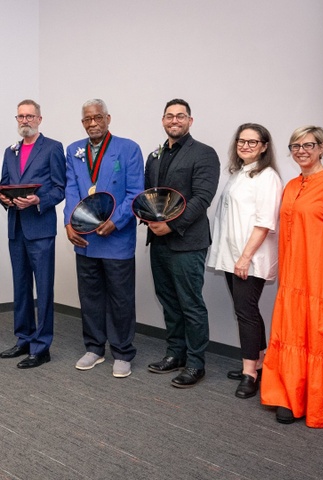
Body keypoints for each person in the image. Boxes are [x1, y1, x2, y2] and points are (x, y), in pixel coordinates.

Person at [261, 126, 323, 428]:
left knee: (319, 333)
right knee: (293, 331)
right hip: (294, 274)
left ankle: (316, 400)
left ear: (321, 148)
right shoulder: (291, 185)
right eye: (295, 146)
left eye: (308, 145)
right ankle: (289, 396)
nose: (301, 151)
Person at [64, 99, 144, 378]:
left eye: (98, 117)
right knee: (90, 296)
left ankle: (122, 352)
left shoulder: (128, 148)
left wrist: (116, 221)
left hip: (116, 237)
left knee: (120, 298)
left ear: (108, 118)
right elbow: (71, 188)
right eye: (87, 119)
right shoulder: (74, 150)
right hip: (86, 239)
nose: (93, 123)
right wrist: (69, 223)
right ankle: (94, 348)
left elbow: (136, 192)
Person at [144, 98, 220, 388]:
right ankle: (175, 353)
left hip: (187, 242)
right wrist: (149, 219)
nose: (174, 120)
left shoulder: (203, 153)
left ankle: (196, 363)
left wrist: (171, 225)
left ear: (190, 120)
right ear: (163, 120)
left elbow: (202, 198)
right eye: (169, 116)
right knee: (169, 302)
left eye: (180, 116)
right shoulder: (155, 155)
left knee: (191, 304)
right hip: (158, 240)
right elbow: (148, 194)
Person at [206, 123, 282, 399]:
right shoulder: (238, 174)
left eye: (253, 142)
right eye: (242, 141)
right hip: (232, 257)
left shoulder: (268, 177)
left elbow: (264, 223)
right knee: (246, 312)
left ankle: (250, 374)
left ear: (264, 146)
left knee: (246, 314)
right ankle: (258, 364)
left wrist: (245, 258)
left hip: (248, 258)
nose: (246, 146)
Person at [0, 100, 66, 369]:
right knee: (21, 287)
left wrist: (38, 200)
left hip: (40, 229)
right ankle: (24, 338)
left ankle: (42, 346)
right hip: (16, 228)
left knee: (44, 289)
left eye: (30, 116)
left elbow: (60, 188)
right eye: (21, 116)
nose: (25, 120)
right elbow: (4, 187)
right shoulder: (10, 151)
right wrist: (7, 201)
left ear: (39, 118)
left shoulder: (52, 148)